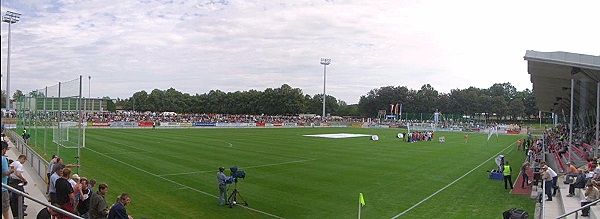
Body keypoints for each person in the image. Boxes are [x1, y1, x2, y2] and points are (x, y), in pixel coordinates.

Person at [2, 141, 14, 219]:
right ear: (3, 149)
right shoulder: (3, 159)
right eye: (5, 149)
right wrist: (11, 171)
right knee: (5, 207)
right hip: (3, 189)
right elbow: (6, 173)